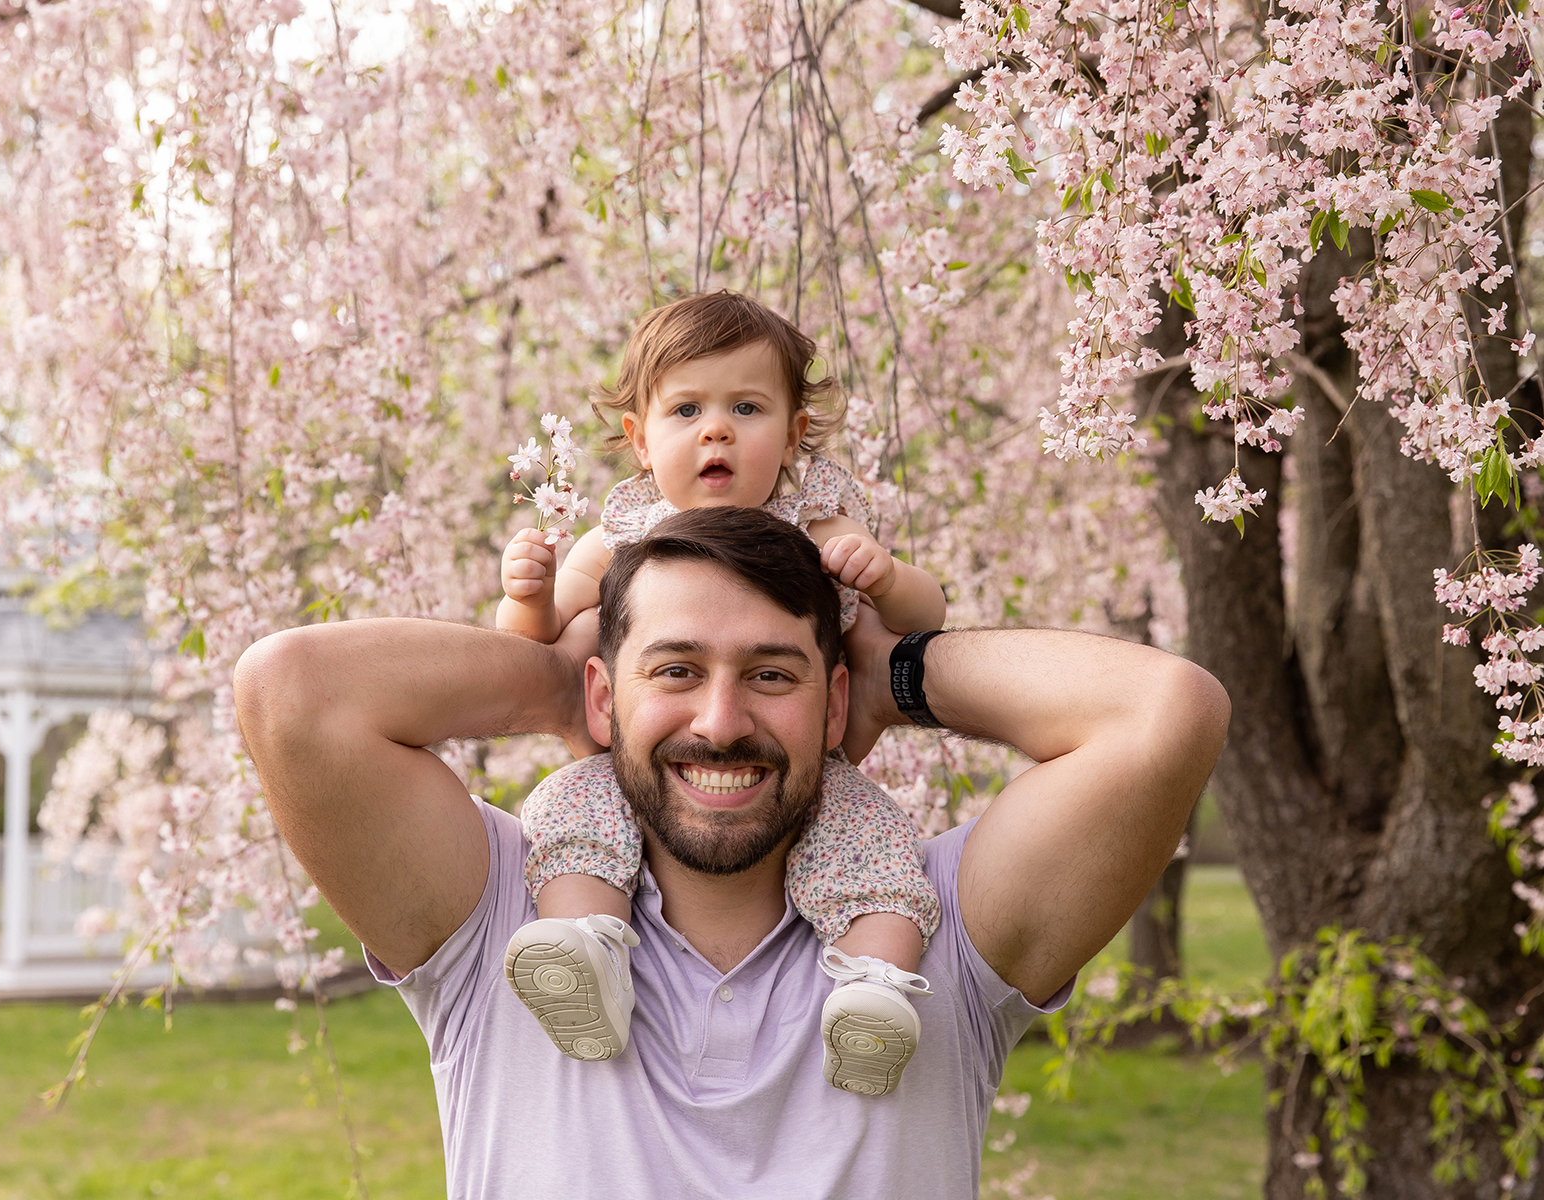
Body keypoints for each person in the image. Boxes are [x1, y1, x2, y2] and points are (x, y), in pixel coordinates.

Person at [232, 505, 1230, 1199]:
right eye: (675, 670)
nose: (719, 721)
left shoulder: (931, 933)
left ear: (832, 702)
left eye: (771, 674)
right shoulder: (505, 911)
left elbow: (1163, 713)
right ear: (601, 694)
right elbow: (295, 693)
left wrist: (893, 678)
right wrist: (558, 687)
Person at [494, 291, 949, 1094]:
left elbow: (925, 616)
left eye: (747, 406)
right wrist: (528, 595)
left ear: (794, 435)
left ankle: (875, 997)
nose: (717, 430)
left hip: (804, 763)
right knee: (572, 811)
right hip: (646, 757)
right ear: (640, 439)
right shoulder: (626, 530)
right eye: (687, 410)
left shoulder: (818, 519)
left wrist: (885, 575)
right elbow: (532, 643)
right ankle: (583, 945)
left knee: (876, 857)